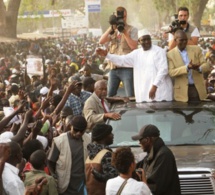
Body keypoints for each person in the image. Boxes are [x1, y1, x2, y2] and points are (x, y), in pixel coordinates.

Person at [96, 30, 173, 103]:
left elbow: (163, 70)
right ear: (139, 41)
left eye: (148, 39)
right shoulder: (136, 54)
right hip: (144, 93)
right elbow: (122, 60)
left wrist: (155, 86)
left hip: (160, 91)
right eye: (143, 40)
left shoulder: (159, 51)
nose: (146, 42)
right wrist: (107, 55)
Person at [99, 6, 138, 97]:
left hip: (127, 67)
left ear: (126, 16)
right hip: (113, 67)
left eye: (122, 17)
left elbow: (133, 46)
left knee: (130, 94)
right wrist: (112, 27)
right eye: (118, 17)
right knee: (109, 94)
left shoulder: (132, 29)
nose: (121, 19)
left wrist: (124, 32)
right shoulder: (113, 31)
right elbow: (101, 41)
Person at [132, 124, 181, 195]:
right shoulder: (152, 154)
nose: (139, 143)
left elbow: (155, 187)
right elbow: (135, 167)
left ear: (148, 140)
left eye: (140, 140)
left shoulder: (164, 155)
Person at [47, 115, 91, 195]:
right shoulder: (59, 141)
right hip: (64, 184)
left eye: (81, 131)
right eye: (76, 130)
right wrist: (53, 175)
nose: (78, 133)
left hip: (81, 184)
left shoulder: (88, 139)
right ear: (71, 126)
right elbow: (50, 161)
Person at [167, 30, 210, 102]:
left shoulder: (196, 49)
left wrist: (199, 68)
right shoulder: (170, 54)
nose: (184, 42)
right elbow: (171, 72)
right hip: (181, 92)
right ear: (175, 40)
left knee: (199, 112)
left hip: (197, 89)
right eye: (181, 40)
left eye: (185, 40)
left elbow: (207, 65)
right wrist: (187, 68)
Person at [85, 124, 118, 195]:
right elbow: (112, 178)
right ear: (103, 136)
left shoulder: (90, 155)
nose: (113, 135)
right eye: (110, 133)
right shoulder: (106, 154)